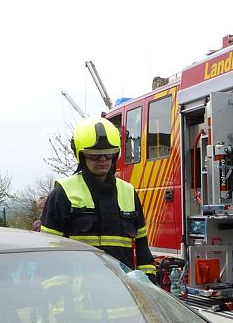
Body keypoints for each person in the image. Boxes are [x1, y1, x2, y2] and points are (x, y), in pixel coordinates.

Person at [40, 116, 157, 282]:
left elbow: (144, 252)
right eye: (94, 155)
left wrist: (149, 288)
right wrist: (59, 299)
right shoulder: (62, 194)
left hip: (123, 298)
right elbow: (49, 256)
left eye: (108, 155)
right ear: (80, 155)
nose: (102, 160)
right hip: (80, 299)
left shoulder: (129, 192)